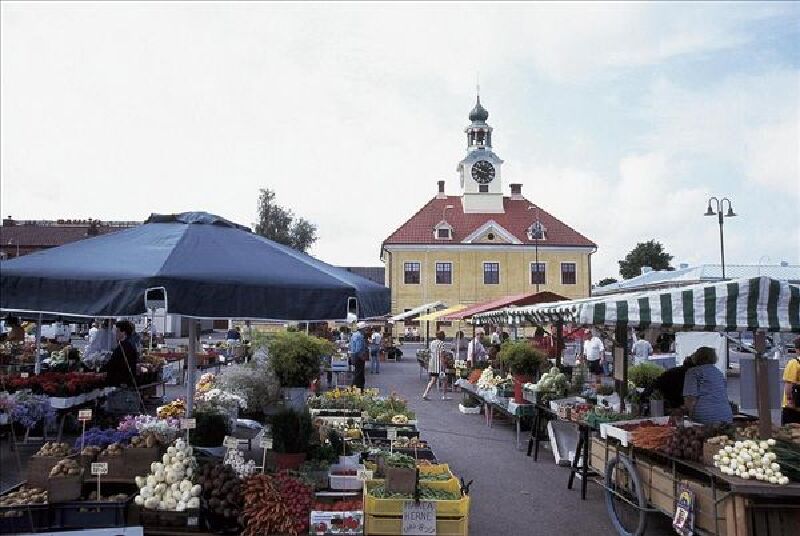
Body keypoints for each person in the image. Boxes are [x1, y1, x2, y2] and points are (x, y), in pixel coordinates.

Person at [682, 347, 733, 425]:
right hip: (725, 415)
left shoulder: (693, 372)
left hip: (704, 416)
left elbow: (690, 398)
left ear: (696, 357)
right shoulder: (719, 373)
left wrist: (689, 417)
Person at [102, 320, 139, 387]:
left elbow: (114, 364)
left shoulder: (122, 348)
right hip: (127, 381)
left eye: (117, 331)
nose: (116, 333)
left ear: (123, 333)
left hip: (120, 382)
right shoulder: (130, 345)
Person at [422, 331, 446, 400]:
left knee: (433, 380)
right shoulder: (441, 343)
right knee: (444, 379)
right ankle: (444, 396)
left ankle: (425, 393)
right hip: (438, 364)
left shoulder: (432, 342)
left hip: (432, 363)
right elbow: (441, 355)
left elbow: (430, 352)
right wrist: (443, 364)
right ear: (442, 336)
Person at [782, 336, 800, 424]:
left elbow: (788, 384)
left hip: (792, 408)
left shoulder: (794, 363)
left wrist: (790, 401)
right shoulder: (795, 363)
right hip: (795, 407)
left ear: (797, 349)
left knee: (789, 431)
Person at [349, 321, 368, 391]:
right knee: (359, 373)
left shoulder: (354, 335)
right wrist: (361, 356)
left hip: (354, 355)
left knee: (357, 372)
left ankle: (358, 388)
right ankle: (355, 388)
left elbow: (351, 346)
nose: (366, 330)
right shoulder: (359, 336)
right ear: (362, 329)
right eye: (365, 329)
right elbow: (358, 348)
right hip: (358, 356)